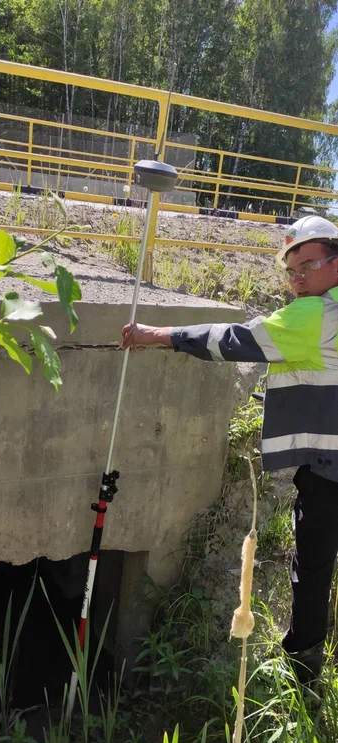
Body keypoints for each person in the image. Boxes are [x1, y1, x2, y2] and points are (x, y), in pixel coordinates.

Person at [121, 216, 338, 684]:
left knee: (314, 567)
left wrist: (159, 335)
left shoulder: (316, 314)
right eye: (292, 271)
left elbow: (234, 340)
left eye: (308, 266)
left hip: (330, 470)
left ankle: (303, 670)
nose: (298, 280)